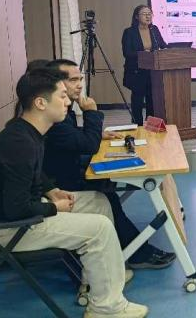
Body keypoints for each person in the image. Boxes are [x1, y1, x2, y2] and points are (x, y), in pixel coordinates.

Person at [0, 68, 148, 318]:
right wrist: (54, 207)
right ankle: (106, 309)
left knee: (98, 202)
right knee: (99, 229)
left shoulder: (27, 131)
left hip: (15, 215)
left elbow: (33, 174)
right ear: (41, 103)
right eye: (62, 96)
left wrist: (51, 190)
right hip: (0, 230)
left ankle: (96, 281)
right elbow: (16, 208)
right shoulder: (20, 144)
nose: (68, 102)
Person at [43, 58, 176, 269]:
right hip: (62, 182)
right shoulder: (54, 118)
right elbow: (87, 145)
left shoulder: (63, 112)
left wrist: (96, 133)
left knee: (109, 186)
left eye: (80, 79)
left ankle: (133, 249)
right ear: (55, 84)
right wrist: (91, 112)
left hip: (68, 171)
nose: (79, 85)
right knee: (108, 195)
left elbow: (72, 137)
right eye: (73, 80)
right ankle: (137, 254)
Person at [121, 5, 167, 125]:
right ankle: (137, 124)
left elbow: (162, 45)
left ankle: (150, 124)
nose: (148, 16)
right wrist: (142, 53)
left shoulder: (154, 29)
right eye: (144, 14)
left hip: (153, 71)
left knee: (152, 99)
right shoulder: (129, 32)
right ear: (137, 17)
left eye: (150, 13)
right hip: (137, 71)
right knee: (138, 100)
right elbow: (127, 53)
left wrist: (173, 49)